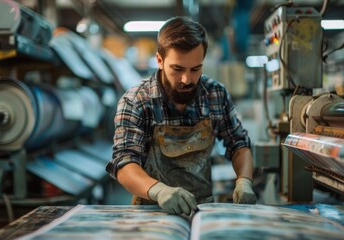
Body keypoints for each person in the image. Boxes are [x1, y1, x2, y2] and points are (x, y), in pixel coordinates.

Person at [106, 16, 256, 216]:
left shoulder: (215, 94)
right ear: (160, 60)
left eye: (195, 69)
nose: (187, 79)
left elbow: (238, 143)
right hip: (151, 212)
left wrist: (244, 181)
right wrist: (159, 191)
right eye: (177, 69)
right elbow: (124, 162)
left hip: (201, 211)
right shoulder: (137, 100)